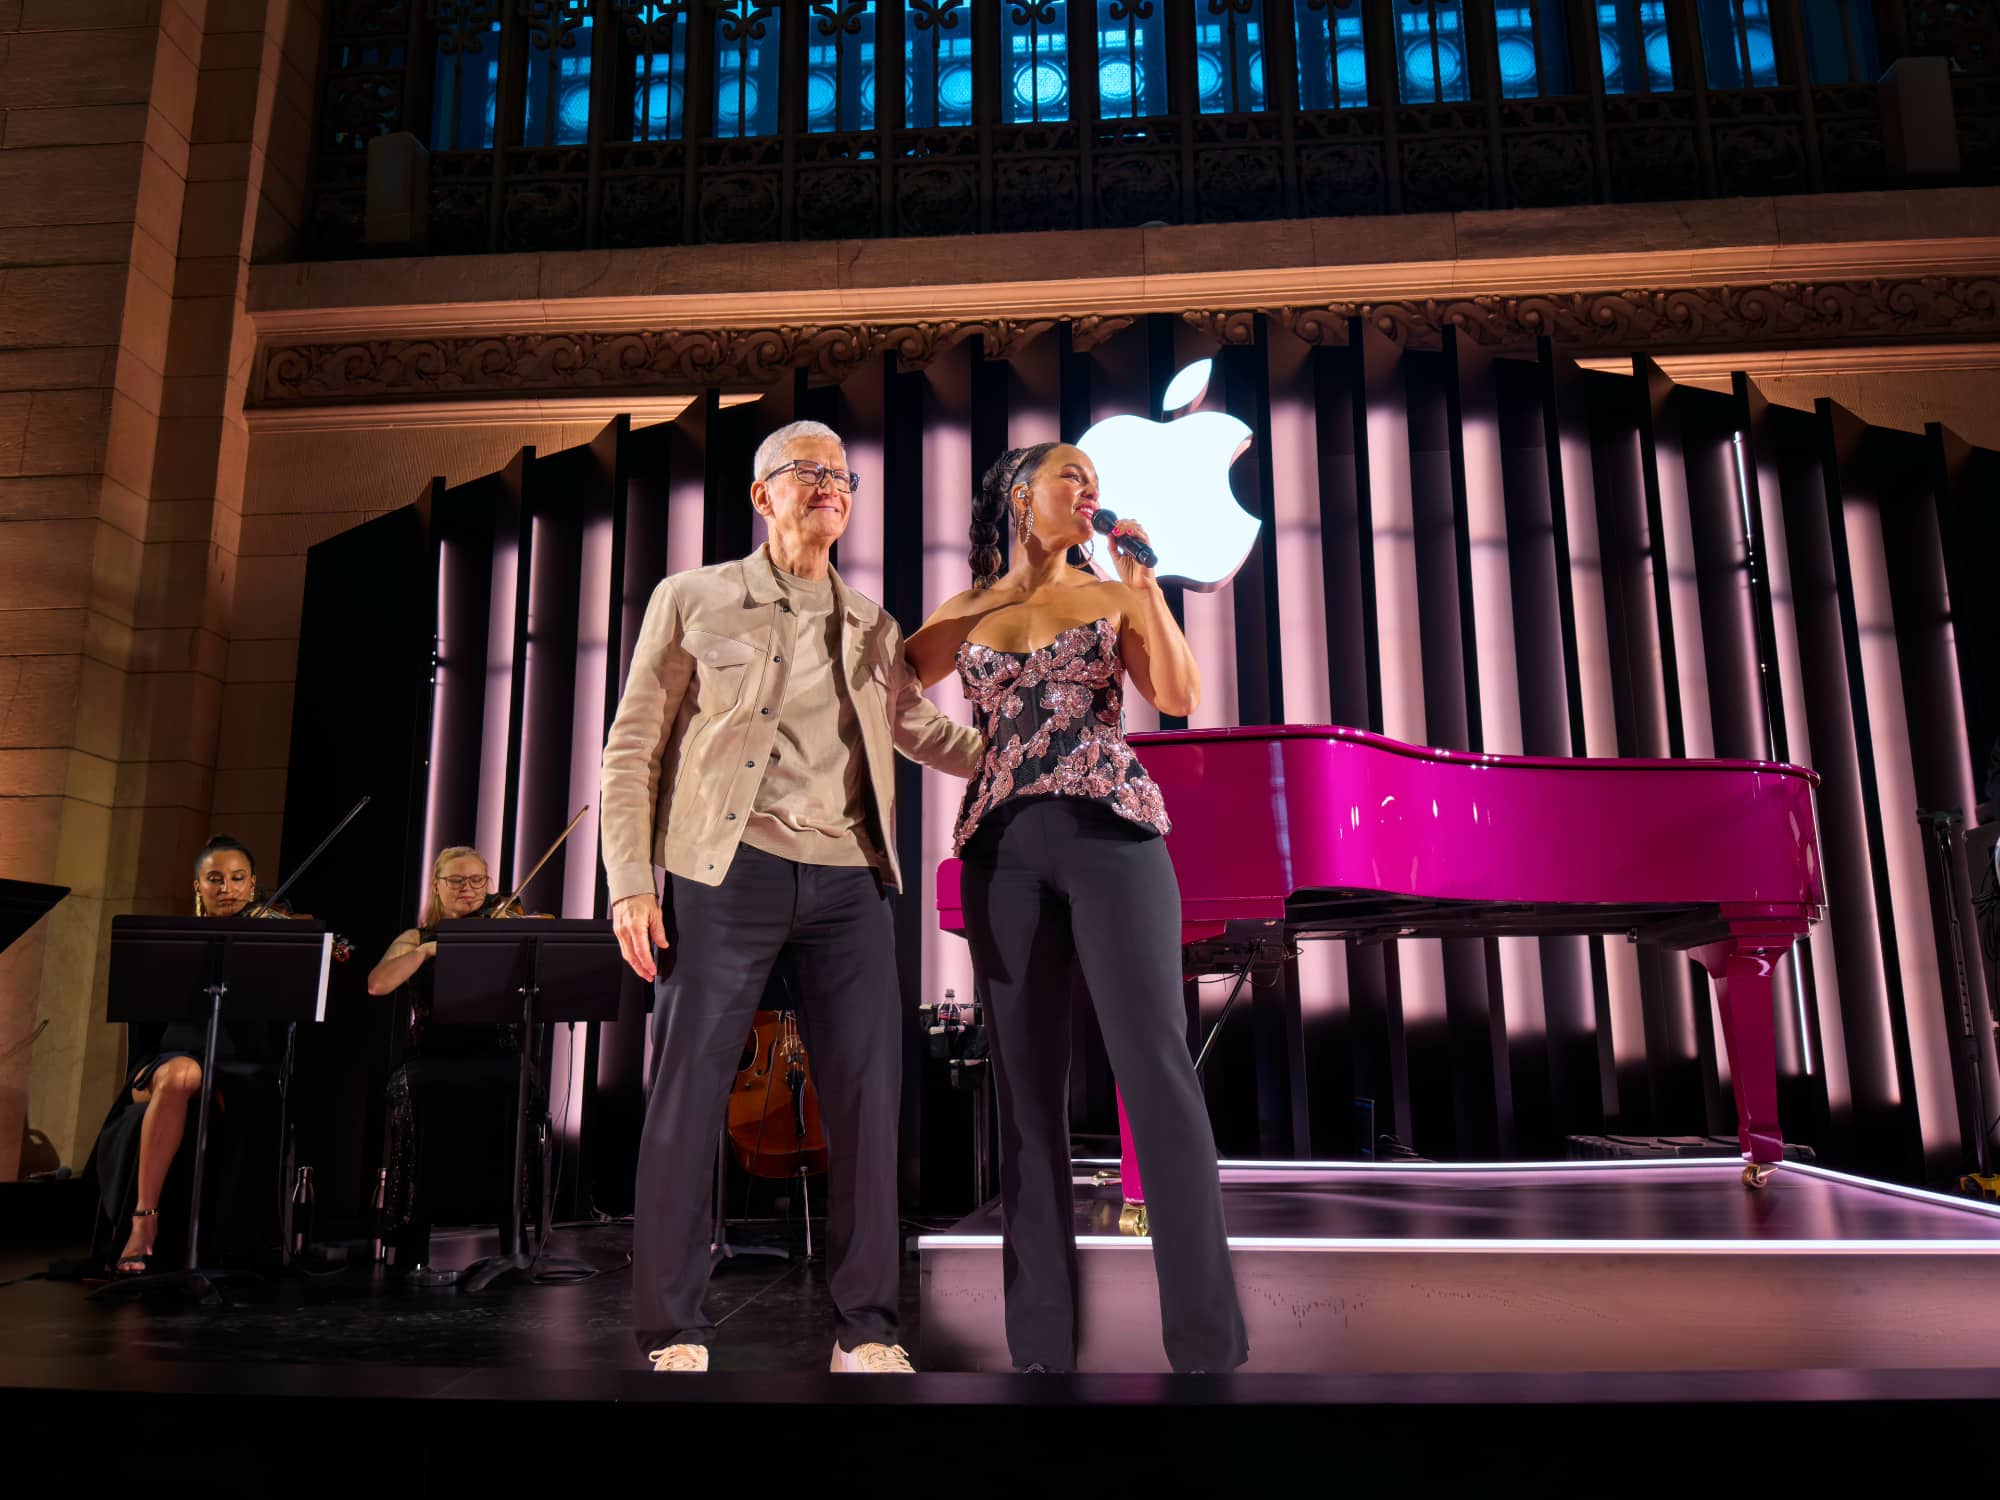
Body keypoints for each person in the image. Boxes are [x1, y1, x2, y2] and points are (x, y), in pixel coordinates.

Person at [600, 418, 983, 1374]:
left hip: (851, 880)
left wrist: (1028, 757)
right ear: (762, 493)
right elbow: (633, 747)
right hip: (724, 870)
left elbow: (921, 731)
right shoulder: (692, 598)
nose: (830, 486)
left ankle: (868, 1329)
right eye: (807, 470)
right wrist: (630, 882)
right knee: (688, 1094)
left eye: (843, 476)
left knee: (867, 1103)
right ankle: (672, 1327)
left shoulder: (873, 626)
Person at [903, 441, 1249, 1374]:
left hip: (1112, 838)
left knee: (1157, 1074)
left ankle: (1208, 1350)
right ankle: (1040, 1354)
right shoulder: (965, 611)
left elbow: (1177, 694)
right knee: (1023, 1098)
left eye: (1095, 480)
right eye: (1071, 475)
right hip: (1000, 856)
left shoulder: (1115, 594)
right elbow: (883, 690)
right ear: (1021, 497)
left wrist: (1145, 587)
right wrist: (967, 758)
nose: (1090, 488)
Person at [91, 835, 283, 1275]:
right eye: (214, 879)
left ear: (253, 885)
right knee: (178, 1074)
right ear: (197, 886)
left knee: (189, 1078)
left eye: (237, 879)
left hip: (239, 1070)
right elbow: (145, 1028)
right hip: (169, 1063)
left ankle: (207, 1238)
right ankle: (144, 1221)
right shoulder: (168, 944)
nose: (227, 889)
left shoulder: (270, 944)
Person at [365, 845, 523, 1279]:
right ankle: (412, 1243)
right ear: (437, 885)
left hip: (496, 1051)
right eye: (456, 881)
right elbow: (377, 984)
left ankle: (515, 1243)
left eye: (477, 881)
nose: (468, 890)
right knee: (417, 1089)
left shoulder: (503, 928)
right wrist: (427, 951)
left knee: (518, 1082)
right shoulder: (416, 937)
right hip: (433, 1056)